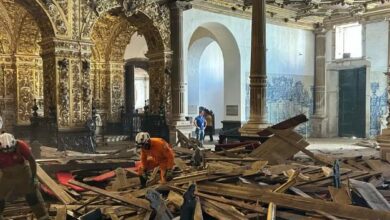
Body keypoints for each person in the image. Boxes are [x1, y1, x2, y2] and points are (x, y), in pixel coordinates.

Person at [0, 133, 49, 220]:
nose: (9, 152)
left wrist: (33, 178)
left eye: (11, 150)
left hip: (23, 172)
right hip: (7, 174)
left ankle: (42, 216)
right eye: (6, 151)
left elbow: (31, 160)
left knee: (31, 194)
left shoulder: (20, 145)